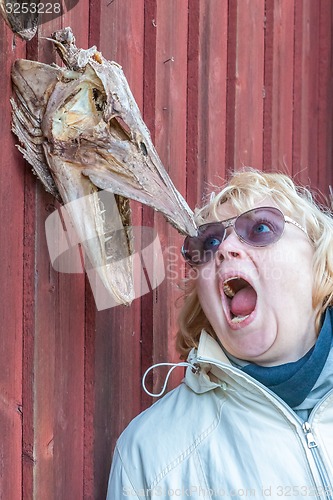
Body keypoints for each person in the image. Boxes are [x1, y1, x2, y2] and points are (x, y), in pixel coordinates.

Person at [107, 169, 333, 499]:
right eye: (208, 243)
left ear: (319, 259)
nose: (225, 248)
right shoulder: (150, 455)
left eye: (260, 229)